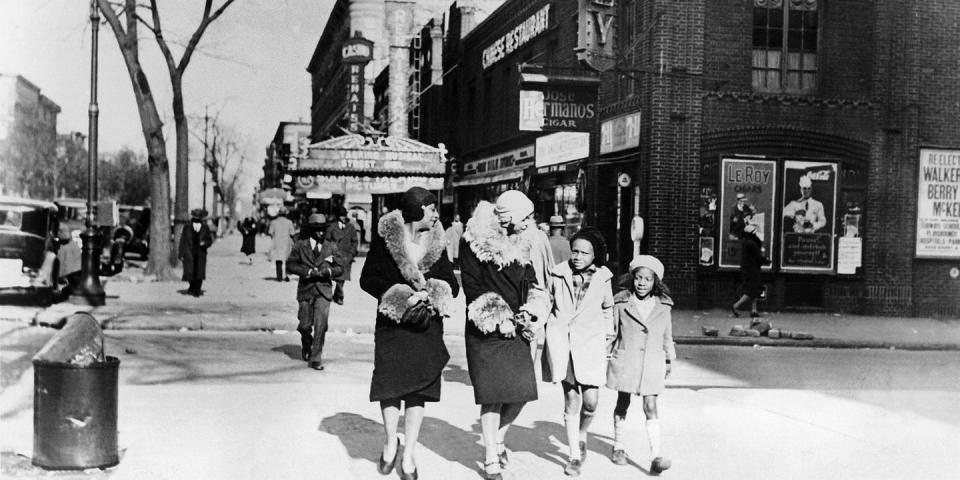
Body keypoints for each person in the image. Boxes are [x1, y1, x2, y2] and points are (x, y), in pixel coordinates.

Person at [359, 187, 459, 480]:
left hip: (426, 326)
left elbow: (452, 284)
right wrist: (401, 296)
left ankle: (410, 453)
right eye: (431, 209)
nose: (437, 215)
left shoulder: (438, 241)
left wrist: (431, 294)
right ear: (416, 211)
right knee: (390, 386)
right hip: (393, 325)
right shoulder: (386, 239)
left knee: (419, 390)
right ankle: (391, 442)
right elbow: (368, 279)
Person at [460, 190, 550, 480]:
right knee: (493, 396)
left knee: (522, 392)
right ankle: (490, 457)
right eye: (525, 217)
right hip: (486, 327)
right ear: (508, 216)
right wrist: (499, 317)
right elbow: (471, 286)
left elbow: (532, 282)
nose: (529, 222)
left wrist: (531, 310)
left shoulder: (523, 242)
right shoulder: (474, 240)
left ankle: (498, 438)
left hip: (517, 326)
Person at [541, 227, 614, 476]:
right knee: (572, 398)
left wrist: (607, 336)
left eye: (585, 252)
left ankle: (582, 434)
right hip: (564, 343)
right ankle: (573, 455)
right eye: (575, 251)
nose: (578, 256)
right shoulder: (558, 273)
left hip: (591, 343)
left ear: (595, 255)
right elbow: (545, 302)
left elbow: (607, 308)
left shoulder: (604, 277)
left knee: (591, 402)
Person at [606, 255, 675, 475]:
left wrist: (669, 358)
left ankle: (655, 456)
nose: (642, 283)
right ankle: (618, 446)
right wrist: (606, 355)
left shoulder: (663, 306)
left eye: (647, 279)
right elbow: (612, 332)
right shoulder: (621, 303)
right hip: (627, 360)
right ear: (632, 279)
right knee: (622, 401)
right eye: (638, 278)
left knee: (651, 406)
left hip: (652, 362)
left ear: (656, 282)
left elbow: (667, 334)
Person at [285, 213, 344, 371]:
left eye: (323, 229)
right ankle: (307, 343)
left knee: (321, 325)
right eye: (317, 230)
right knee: (304, 325)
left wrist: (329, 272)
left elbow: (340, 267)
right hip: (306, 289)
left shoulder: (331, 246)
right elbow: (290, 265)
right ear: (311, 230)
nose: (321, 233)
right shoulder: (300, 245)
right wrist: (307, 272)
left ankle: (316, 358)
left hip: (324, 291)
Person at [731, 223, 767, 319]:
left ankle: (754, 310)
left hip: (747, 268)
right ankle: (736, 305)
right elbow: (757, 257)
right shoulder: (752, 243)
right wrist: (766, 260)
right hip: (752, 270)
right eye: (755, 232)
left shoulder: (746, 242)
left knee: (754, 289)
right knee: (753, 290)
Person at [325, 205, 359, 305]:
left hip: (346, 256)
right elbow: (327, 241)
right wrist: (329, 253)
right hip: (335, 255)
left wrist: (352, 253)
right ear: (337, 217)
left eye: (344, 216)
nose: (343, 218)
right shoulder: (332, 227)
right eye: (341, 216)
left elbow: (355, 241)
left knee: (342, 278)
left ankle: (339, 296)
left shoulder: (351, 227)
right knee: (334, 276)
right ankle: (337, 295)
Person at [179, 209, 214, 296]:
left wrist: (205, 243)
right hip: (189, 252)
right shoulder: (187, 227)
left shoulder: (205, 227)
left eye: (198, 218)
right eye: (195, 218)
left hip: (201, 253)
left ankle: (197, 290)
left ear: (201, 218)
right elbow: (183, 240)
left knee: (199, 272)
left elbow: (210, 240)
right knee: (190, 271)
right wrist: (181, 254)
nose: (196, 219)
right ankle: (191, 287)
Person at [268, 209, 296, 281]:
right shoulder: (289, 222)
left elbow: (270, 233)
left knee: (278, 260)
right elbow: (292, 233)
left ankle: (279, 277)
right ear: (286, 214)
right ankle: (287, 276)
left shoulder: (273, 222)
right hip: (287, 243)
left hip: (277, 243)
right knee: (288, 260)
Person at [54, 224, 82, 295]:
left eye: (61, 231)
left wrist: (61, 276)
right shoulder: (61, 246)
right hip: (68, 278)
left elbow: (67, 267)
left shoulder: (72, 247)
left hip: (73, 276)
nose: (59, 233)